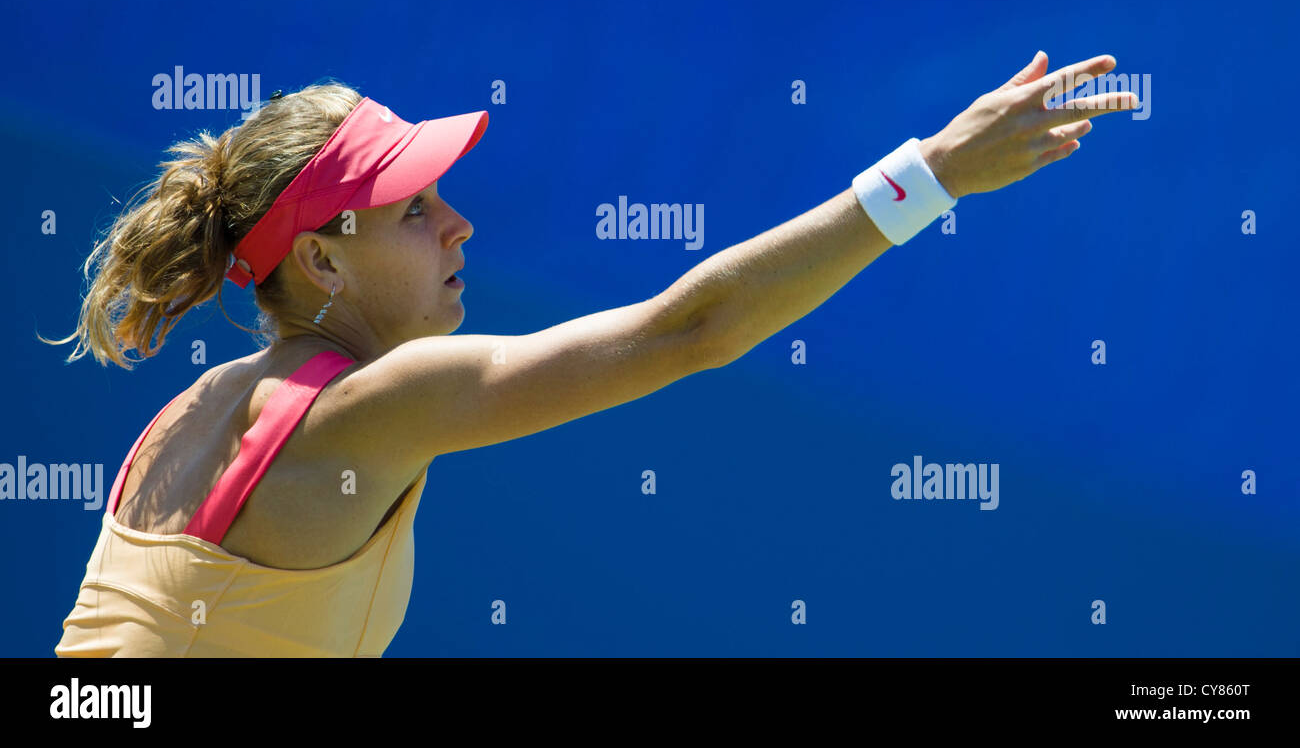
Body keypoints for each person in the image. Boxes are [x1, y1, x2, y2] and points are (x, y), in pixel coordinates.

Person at [47, 55, 1135, 656]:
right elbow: (689, 329)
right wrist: (932, 174)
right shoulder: (362, 408)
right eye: (414, 209)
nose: (458, 226)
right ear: (322, 260)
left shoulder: (192, 413)